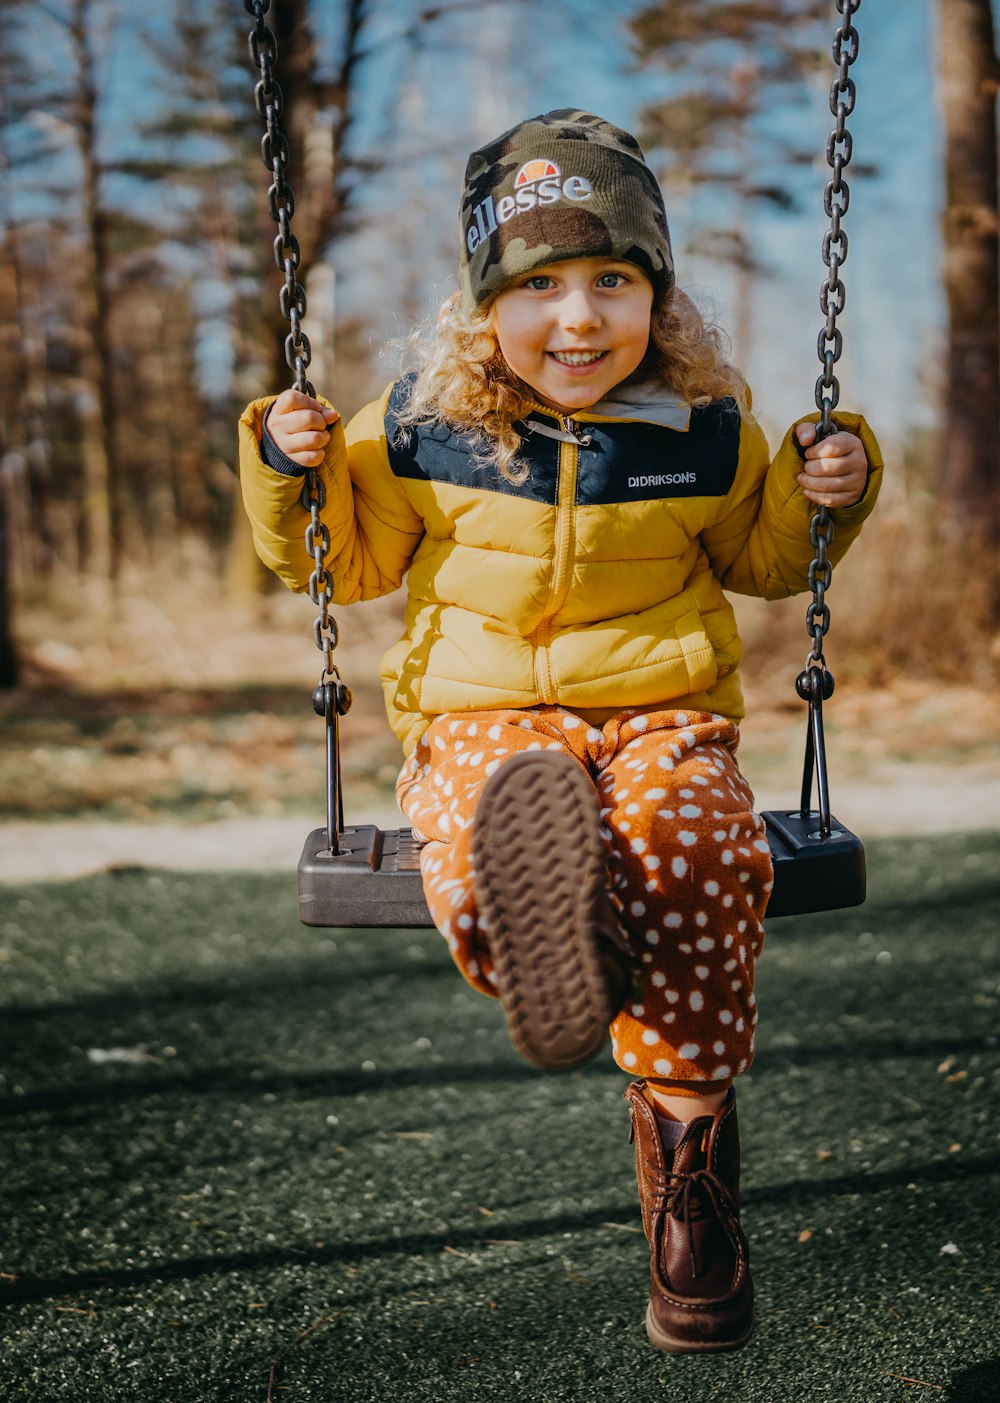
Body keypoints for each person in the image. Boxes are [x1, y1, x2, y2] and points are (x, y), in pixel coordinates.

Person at [238, 109, 882, 1354]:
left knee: (697, 847)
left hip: (660, 712)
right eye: (537, 284)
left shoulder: (703, 425)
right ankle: (561, 928)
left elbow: (760, 561)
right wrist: (286, 463)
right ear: (484, 303)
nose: (577, 317)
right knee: (492, 823)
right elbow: (348, 560)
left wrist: (831, 491)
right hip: (485, 715)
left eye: (612, 281)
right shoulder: (419, 422)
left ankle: (689, 1186)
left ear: (657, 297)